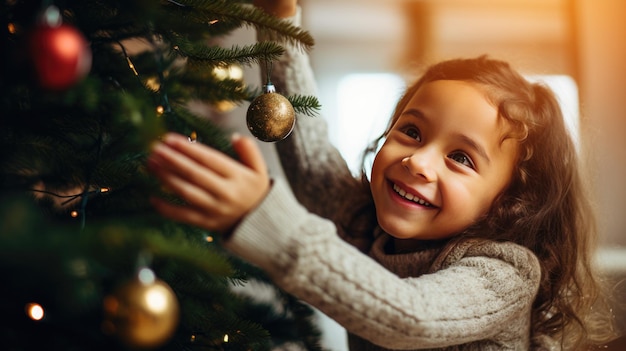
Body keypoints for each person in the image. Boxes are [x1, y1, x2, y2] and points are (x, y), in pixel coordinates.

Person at [147, 1, 618, 350]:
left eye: (461, 158)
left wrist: (269, 222)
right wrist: (283, 30)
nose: (418, 162)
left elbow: (409, 315)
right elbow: (312, 165)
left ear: (509, 201)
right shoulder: (367, 222)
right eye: (411, 131)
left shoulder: (504, 272)